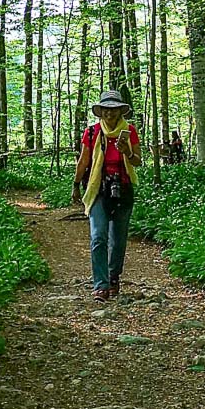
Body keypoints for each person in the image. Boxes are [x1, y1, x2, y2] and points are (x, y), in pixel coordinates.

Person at [72, 89, 142, 302]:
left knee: (118, 240)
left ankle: (113, 277)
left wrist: (126, 152)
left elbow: (137, 161)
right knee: (98, 237)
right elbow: (84, 161)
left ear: (121, 111)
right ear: (100, 111)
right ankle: (100, 285)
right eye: (106, 110)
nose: (109, 114)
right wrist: (76, 185)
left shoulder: (129, 132)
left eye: (114, 110)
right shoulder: (92, 133)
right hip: (98, 190)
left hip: (123, 188)